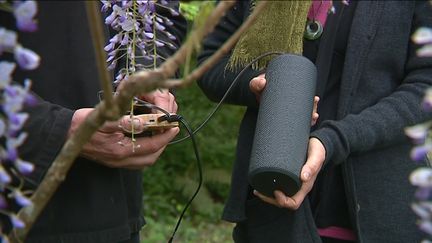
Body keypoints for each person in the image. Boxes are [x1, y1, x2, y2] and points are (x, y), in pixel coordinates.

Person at [198, 1, 432, 242]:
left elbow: (425, 87)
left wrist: (335, 140)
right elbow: (211, 64)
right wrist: (255, 84)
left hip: (379, 204)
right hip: (272, 197)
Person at [1, 1, 186, 242]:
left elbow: (161, 12)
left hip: (113, 204)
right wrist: (56, 127)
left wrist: (144, 74)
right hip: (17, 202)